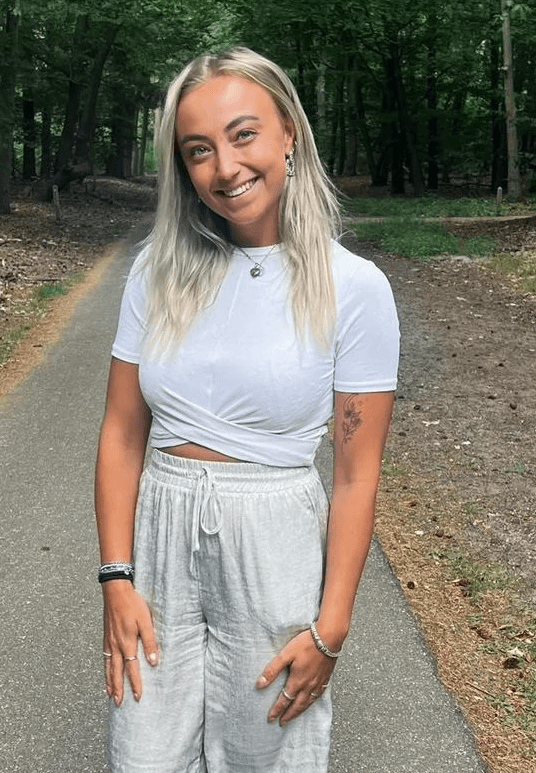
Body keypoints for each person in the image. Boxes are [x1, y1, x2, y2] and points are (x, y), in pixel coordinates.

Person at [94, 47, 400, 773]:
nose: (224, 168)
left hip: (275, 542)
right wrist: (116, 578)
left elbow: (356, 475)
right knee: (142, 754)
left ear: (288, 131)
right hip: (159, 533)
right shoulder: (155, 270)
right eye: (198, 150)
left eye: (242, 135)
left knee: (269, 754)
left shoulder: (354, 289)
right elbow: (121, 429)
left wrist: (330, 628)